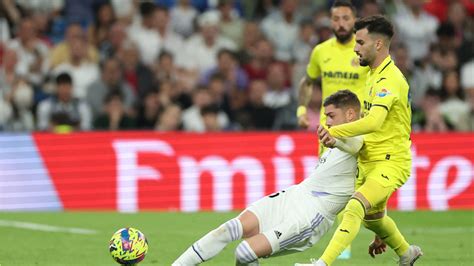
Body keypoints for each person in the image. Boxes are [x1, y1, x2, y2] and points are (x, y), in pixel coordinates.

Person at [173, 90, 364, 266]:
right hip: (294, 195)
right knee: (228, 228)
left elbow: (356, 145)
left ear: (350, 115)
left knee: (244, 253)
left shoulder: (362, 138)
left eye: (331, 116)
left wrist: (335, 140)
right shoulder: (335, 136)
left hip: (311, 215)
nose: (327, 122)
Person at [312, 15, 422, 266]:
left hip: (390, 161)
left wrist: (336, 131)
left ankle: (321, 264)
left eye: (360, 42)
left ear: (378, 45)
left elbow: (373, 122)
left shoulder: (388, 80)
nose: (355, 48)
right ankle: (407, 253)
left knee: (354, 207)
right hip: (369, 159)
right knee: (373, 219)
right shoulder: (373, 75)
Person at [296, 0, 369, 259]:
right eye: (336, 18)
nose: (341, 23)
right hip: (330, 132)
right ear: (330, 21)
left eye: (346, 18)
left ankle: (364, 238)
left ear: (354, 19)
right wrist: (303, 109)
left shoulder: (364, 50)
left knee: (361, 185)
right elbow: (308, 81)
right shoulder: (321, 51)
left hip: (361, 130)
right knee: (331, 187)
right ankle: (339, 242)